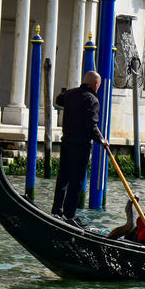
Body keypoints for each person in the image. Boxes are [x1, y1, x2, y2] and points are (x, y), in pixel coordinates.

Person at [52, 70, 107, 227]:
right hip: (81, 146)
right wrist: (102, 140)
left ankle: (56, 211)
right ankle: (69, 215)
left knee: (63, 178)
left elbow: (59, 100)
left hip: (66, 142)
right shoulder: (92, 100)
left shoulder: (70, 94)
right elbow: (91, 125)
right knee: (76, 181)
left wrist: (68, 93)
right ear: (96, 85)